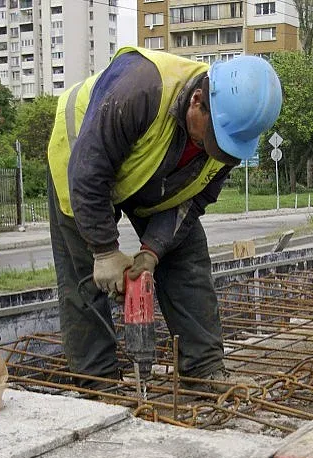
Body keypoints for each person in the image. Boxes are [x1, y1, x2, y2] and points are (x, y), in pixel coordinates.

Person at [46, 47, 282, 390]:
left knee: (187, 254)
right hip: (79, 160)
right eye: (212, 138)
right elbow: (89, 170)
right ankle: (97, 382)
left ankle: (203, 367)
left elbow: (192, 201)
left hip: (151, 172)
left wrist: (153, 250)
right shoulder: (141, 89)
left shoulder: (230, 140)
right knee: (84, 274)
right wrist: (104, 250)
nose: (212, 149)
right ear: (197, 100)